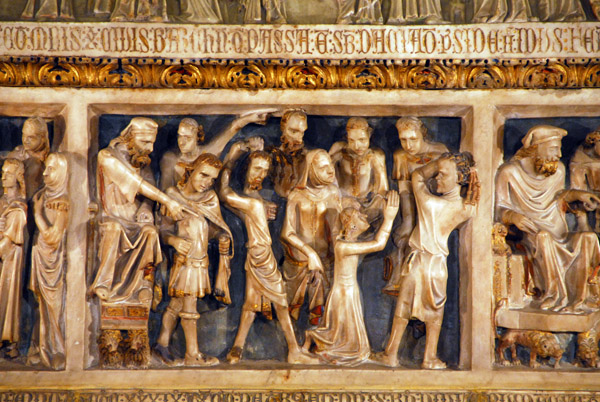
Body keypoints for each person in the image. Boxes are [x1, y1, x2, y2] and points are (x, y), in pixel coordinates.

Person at [90, 117, 186, 366]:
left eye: (153, 143)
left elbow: (148, 188)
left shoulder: (140, 159)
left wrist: (146, 207)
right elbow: (138, 184)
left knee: (150, 232)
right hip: (112, 218)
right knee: (112, 230)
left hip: (136, 221)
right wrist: (168, 201)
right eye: (145, 142)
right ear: (130, 138)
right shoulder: (107, 157)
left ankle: (144, 283)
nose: (150, 149)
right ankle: (105, 282)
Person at [376, 152, 479, 369]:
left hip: (418, 262)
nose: (436, 178)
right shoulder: (466, 209)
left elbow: (417, 176)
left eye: (442, 174)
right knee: (435, 313)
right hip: (438, 267)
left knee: (403, 309)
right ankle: (429, 357)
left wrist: (434, 164)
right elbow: (470, 205)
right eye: (437, 174)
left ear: (459, 179)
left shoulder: (430, 203)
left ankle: (391, 353)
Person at [219, 140, 318, 364]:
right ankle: (293, 351)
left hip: (258, 255)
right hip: (261, 256)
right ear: (246, 169)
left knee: (251, 304)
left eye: (265, 170)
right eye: (257, 169)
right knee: (281, 301)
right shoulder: (253, 204)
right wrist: (231, 160)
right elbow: (224, 194)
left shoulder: (255, 200)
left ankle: (236, 349)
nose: (261, 174)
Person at [496, 125, 600, 313]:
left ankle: (580, 298)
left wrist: (577, 195)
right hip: (530, 233)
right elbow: (497, 209)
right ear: (535, 148)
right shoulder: (509, 173)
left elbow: (558, 197)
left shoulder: (558, 171)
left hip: (558, 231)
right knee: (543, 237)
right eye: (554, 149)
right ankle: (552, 295)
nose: (559, 154)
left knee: (588, 238)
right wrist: (512, 216)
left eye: (559, 149)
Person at [303, 191, 399, 366]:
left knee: (343, 331)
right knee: (341, 331)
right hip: (343, 292)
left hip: (349, 290)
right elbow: (378, 244)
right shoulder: (343, 246)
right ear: (351, 225)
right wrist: (389, 218)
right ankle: (313, 338)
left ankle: (316, 339)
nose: (364, 216)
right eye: (359, 216)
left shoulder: (348, 243)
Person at [155, 153, 233, 366]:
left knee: (177, 303)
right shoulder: (172, 196)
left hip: (201, 261)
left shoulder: (210, 199)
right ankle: (192, 354)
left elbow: (215, 228)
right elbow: (161, 230)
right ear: (191, 171)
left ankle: (162, 343)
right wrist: (173, 241)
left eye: (212, 179)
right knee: (189, 307)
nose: (207, 182)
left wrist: (222, 237)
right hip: (183, 261)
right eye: (203, 175)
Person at [383, 117, 448, 296]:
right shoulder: (401, 156)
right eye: (403, 140)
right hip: (412, 204)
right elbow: (404, 192)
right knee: (405, 236)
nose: (408, 145)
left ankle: (425, 290)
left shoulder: (440, 151)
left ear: (423, 135)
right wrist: (408, 220)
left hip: (435, 205)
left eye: (413, 139)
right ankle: (401, 282)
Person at [281, 149, 342, 325]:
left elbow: (336, 229)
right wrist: (310, 254)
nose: (331, 170)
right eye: (323, 167)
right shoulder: (297, 195)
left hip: (326, 261)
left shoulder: (332, 193)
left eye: (331, 165)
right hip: (298, 261)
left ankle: (318, 343)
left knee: (324, 312)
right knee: (291, 309)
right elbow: (287, 232)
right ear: (311, 169)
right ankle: (293, 345)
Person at [27, 153, 69, 370]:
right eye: (45, 168)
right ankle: (41, 348)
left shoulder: (61, 202)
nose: (45, 173)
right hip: (41, 257)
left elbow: (53, 237)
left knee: (55, 308)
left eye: (51, 169)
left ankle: (58, 350)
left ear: (61, 171)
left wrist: (37, 214)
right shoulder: (43, 195)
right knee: (41, 306)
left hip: (53, 263)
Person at [160, 112, 269, 191]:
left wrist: (250, 118)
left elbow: (231, 130)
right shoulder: (170, 158)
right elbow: (166, 189)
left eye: (188, 138)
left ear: (198, 137)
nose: (182, 142)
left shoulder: (208, 153)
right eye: (180, 136)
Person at [329, 117, 388, 226]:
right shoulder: (339, 149)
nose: (357, 146)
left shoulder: (376, 155)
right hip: (341, 201)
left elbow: (382, 188)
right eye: (352, 140)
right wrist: (342, 200)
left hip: (365, 205)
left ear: (369, 136)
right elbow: (324, 177)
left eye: (362, 140)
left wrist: (370, 208)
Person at [0, 159, 27, 360]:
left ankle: (8, 339)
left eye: (8, 174)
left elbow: (9, 240)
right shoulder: (2, 202)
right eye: (3, 173)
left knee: (6, 297)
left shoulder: (18, 207)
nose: (3, 177)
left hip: (9, 258)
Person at [269, 110, 310, 198]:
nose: (299, 139)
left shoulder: (307, 156)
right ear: (283, 129)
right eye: (293, 132)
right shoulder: (271, 155)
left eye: (302, 132)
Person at [8, 117, 51, 200]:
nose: (25, 140)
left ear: (42, 138)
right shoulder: (16, 155)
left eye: (31, 137)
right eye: (24, 135)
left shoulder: (51, 160)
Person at [569, 127, 600, 232]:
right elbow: (577, 192)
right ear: (596, 140)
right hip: (592, 202)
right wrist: (583, 223)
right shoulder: (580, 158)